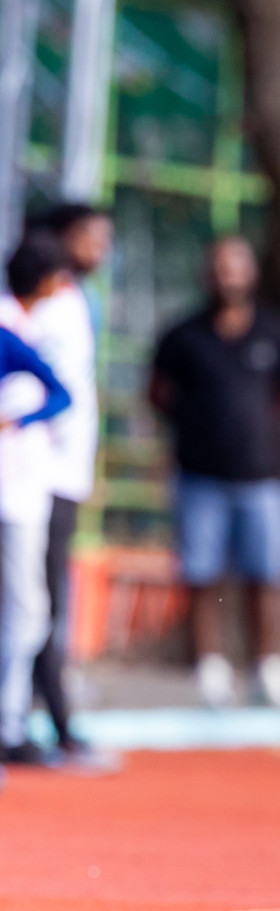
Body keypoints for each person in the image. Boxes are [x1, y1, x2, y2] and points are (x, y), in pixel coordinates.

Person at [148, 236, 280, 710]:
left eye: (235, 267)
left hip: (260, 476)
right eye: (218, 268)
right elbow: (157, 393)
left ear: (251, 274)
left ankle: (267, 667)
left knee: (265, 576)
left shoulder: (274, 332)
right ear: (206, 275)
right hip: (200, 477)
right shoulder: (182, 336)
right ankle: (210, 668)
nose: (227, 277)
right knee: (202, 577)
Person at [28, 203, 111, 764]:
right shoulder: (44, 305)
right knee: (38, 601)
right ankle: (54, 721)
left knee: (46, 599)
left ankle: (46, 717)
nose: (99, 248)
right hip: (39, 476)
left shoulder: (80, 301)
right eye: (87, 237)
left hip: (66, 475)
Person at [0, 232, 74, 765]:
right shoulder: (10, 330)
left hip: (22, 489)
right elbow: (61, 392)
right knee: (26, 607)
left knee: (28, 608)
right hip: (12, 493)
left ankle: (11, 722)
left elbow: (58, 394)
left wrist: (22, 419)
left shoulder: (23, 327)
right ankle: (8, 726)